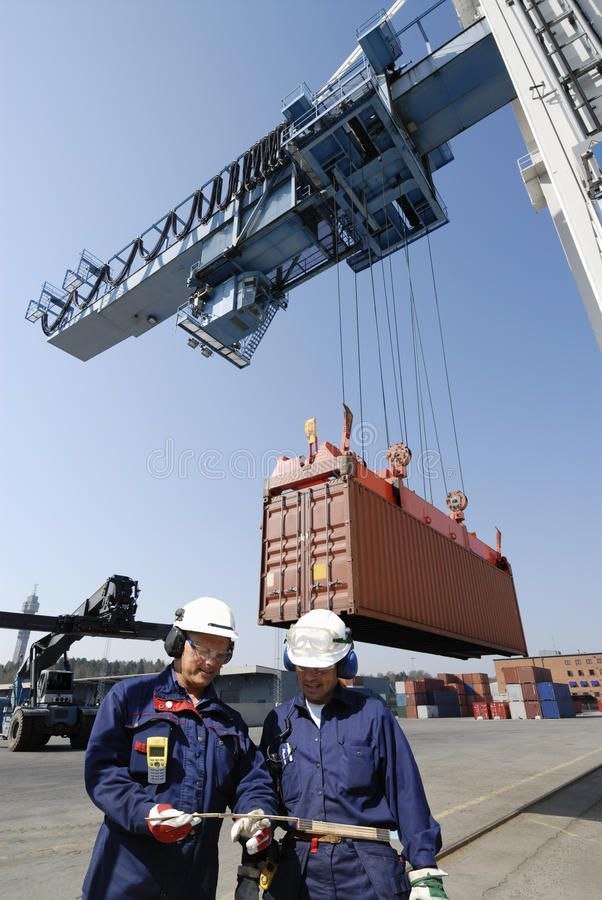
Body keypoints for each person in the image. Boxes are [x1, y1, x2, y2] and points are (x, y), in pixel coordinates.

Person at [82, 596, 277, 900]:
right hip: (124, 877)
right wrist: (145, 812)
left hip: (192, 882)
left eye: (221, 653)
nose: (211, 662)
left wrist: (256, 813)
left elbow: (252, 779)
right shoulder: (130, 699)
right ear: (177, 642)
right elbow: (103, 773)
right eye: (202, 650)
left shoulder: (229, 723)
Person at [259, 609, 448, 900]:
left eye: (321, 668)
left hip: (366, 869)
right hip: (298, 869)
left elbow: (404, 789)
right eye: (302, 666)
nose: (310, 677)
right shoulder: (278, 721)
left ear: (342, 664)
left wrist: (424, 867)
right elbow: (263, 791)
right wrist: (256, 823)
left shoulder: (372, 714)